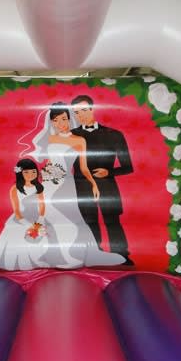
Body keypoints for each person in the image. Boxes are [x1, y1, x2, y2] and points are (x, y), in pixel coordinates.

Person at [29, 102, 125, 268]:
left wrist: (93, 184)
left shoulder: (79, 140)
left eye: (64, 119)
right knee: (48, 217)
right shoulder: (50, 139)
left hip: (67, 185)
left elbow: (84, 168)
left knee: (69, 219)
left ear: (69, 119)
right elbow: (49, 162)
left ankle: (70, 255)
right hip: (49, 183)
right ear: (51, 122)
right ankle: (50, 254)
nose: (61, 124)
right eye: (56, 120)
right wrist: (45, 176)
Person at [71, 95, 134, 265]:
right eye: (77, 112)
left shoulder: (114, 134)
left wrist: (109, 172)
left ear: (93, 109)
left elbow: (128, 167)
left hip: (108, 186)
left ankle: (122, 256)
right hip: (81, 186)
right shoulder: (71, 136)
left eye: (84, 110)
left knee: (113, 221)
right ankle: (94, 254)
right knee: (88, 222)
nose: (81, 115)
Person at [0, 158, 50, 270]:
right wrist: (29, 225)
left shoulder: (38, 187)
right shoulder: (15, 189)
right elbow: (17, 211)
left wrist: (40, 220)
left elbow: (42, 205)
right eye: (26, 172)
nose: (30, 175)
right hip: (20, 219)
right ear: (20, 173)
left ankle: (40, 263)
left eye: (33, 171)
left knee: (43, 236)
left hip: (37, 217)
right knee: (18, 236)